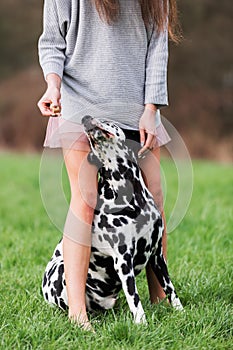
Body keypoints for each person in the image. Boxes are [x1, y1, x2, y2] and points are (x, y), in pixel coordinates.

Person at [38, 0, 180, 330]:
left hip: (137, 105)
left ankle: (158, 297)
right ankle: (77, 312)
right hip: (78, 102)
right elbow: (52, 41)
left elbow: (159, 43)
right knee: (85, 202)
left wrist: (151, 107)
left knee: (154, 198)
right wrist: (52, 85)